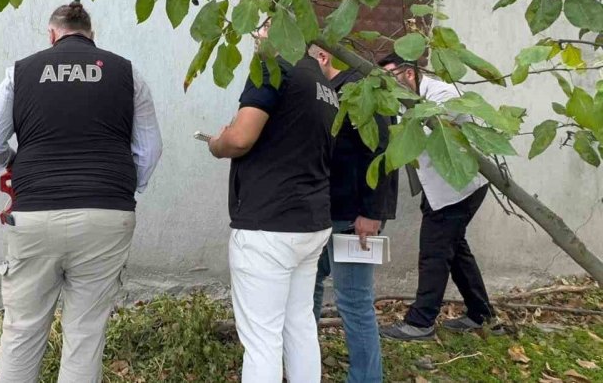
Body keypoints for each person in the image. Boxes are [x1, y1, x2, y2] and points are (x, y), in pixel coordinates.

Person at [0, 3, 162, 383]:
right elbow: (150, 149)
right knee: (85, 333)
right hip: (107, 217)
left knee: (23, 329)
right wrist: (123, 187)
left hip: (36, 215)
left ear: (52, 34)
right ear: (92, 34)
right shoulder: (127, 73)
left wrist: (9, 163)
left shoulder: (21, 72)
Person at [206, 31, 338, 383]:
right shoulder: (321, 83)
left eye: (261, 27)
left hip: (269, 226)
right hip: (309, 222)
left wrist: (218, 144)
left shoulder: (272, 67)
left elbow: (241, 138)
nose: (255, 36)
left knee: (263, 339)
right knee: (299, 325)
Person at [376, 53, 496, 341]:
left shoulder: (442, 94)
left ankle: (421, 322)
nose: (388, 85)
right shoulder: (409, 99)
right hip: (442, 189)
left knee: (434, 251)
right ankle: (482, 314)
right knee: (455, 250)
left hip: (460, 187)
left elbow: (430, 122)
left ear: (408, 73)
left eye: (391, 76)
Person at [308, 45, 398, 383]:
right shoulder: (328, 91)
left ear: (323, 57)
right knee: (309, 288)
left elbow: (382, 150)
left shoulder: (360, 88)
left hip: (354, 217)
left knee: (354, 302)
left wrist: (372, 212)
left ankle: (366, 378)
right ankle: (305, 366)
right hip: (324, 213)